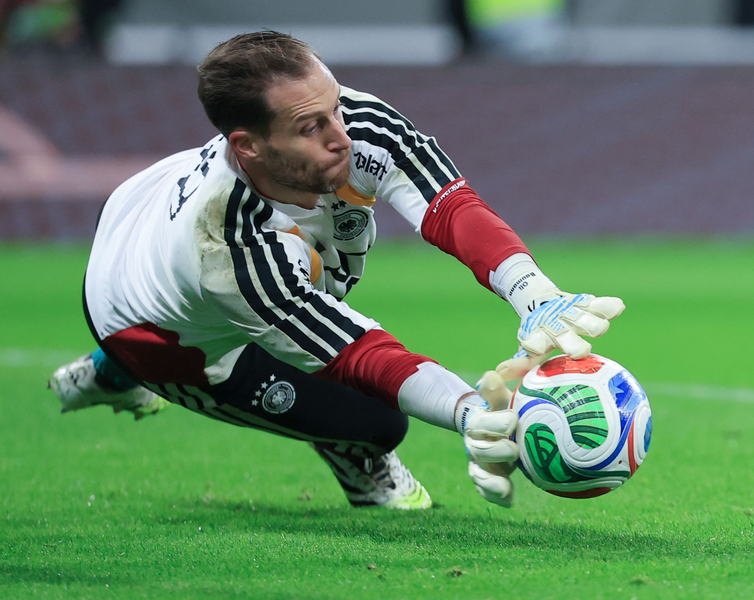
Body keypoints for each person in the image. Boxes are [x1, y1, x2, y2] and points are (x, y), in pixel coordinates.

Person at [48, 30, 624, 510]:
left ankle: (108, 374)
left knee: (322, 277)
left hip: (147, 217)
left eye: (333, 108)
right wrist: (469, 412)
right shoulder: (226, 248)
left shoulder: (352, 121)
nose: (341, 137)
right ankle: (122, 370)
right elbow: (353, 352)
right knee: (378, 419)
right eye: (310, 127)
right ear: (247, 147)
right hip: (147, 328)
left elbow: (449, 206)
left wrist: (534, 292)